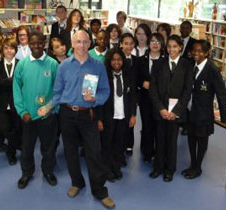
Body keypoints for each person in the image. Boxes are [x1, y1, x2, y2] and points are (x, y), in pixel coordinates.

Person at [52, 30, 115, 209]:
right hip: (67, 114)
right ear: (72, 43)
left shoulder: (98, 66)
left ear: (90, 43)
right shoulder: (63, 66)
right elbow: (57, 91)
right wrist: (50, 108)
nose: (81, 45)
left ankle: (99, 190)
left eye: (85, 42)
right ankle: (77, 182)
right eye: (78, 42)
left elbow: (105, 91)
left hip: (88, 115)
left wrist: (95, 99)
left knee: (94, 152)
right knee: (70, 151)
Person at [13, 30, 59, 189]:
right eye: (33, 43)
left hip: (48, 116)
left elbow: (59, 90)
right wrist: (22, 111)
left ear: (44, 43)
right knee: (27, 147)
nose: (36, 46)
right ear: (28, 44)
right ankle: (27, 172)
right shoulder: (22, 64)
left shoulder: (53, 64)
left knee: (49, 147)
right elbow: (17, 89)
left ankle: (48, 171)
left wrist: (50, 107)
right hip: (28, 117)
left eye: (39, 42)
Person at [182, 40, 226, 179]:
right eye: (194, 50)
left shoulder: (212, 70)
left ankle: (197, 168)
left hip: (204, 114)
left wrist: (225, 117)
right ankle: (192, 164)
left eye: (200, 51)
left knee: (201, 141)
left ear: (206, 53)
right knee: (191, 139)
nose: (196, 53)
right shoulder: (192, 65)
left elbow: (221, 95)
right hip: (191, 111)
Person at [149, 35, 194, 182]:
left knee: (172, 141)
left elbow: (187, 91)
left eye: (175, 46)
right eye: (169, 46)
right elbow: (153, 89)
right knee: (159, 139)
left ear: (180, 47)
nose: (171, 49)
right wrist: (161, 109)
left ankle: (170, 169)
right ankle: (158, 167)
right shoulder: (158, 64)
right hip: (161, 111)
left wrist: (176, 111)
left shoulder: (187, 65)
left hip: (175, 112)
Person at [97, 47, 137, 182]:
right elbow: (100, 100)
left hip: (123, 116)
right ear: (109, 61)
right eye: (113, 60)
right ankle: (107, 169)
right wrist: (99, 119)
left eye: (119, 59)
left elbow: (132, 97)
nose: (116, 62)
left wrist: (133, 115)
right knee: (107, 143)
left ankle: (116, 167)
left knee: (119, 143)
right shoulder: (104, 76)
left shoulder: (128, 74)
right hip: (108, 116)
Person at [0, 37, 22, 165]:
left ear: (15, 50)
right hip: (2, 103)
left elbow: (22, 83)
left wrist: (8, 82)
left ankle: (11, 153)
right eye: (6, 48)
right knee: (5, 128)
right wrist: (13, 80)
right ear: (2, 50)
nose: (9, 50)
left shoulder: (20, 64)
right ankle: (14, 145)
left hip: (17, 103)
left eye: (12, 48)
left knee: (16, 128)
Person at [138, 33, 165, 163]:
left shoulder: (165, 60)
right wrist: (142, 83)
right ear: (149, 44)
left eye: (158, 42)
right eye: (153, 41)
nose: (155, 44)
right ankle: (148, 153)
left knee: (159, 126)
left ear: (162, 44)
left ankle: (159, 153)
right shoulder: (142, 60)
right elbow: (136, 77)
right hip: (145, 99)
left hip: (160, 100)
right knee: (147, 125)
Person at [119, 33, 138, 157]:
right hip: (119, 95)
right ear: (121, 44)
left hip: (132, 95)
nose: (129, 46)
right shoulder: (116, 59)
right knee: (120, 121)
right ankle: (119, 145)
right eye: (126, 43)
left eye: (131, 44)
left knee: (131, 118)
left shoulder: (136, 60)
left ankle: (129, 144)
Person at [179, 21, 196, 136]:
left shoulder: (194, 43)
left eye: (187, 28)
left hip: (188, 74)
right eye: (183, 28)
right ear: (180, 29)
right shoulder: (175, 40)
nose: (184, 30)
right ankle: (180, 120)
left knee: (187, 98)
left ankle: (186, 125)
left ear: (190, 30)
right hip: (176, 74)